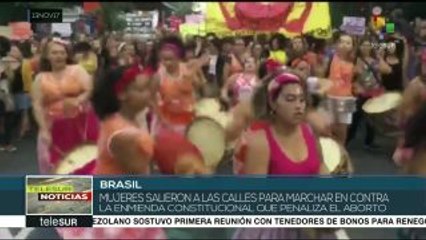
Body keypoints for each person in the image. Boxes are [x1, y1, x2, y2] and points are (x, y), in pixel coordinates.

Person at [57, 66, 166, 240]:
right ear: (122, 95)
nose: (149, 94)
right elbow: (140, 174)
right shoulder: (123, 134)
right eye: (141, 90)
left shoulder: (120, 120)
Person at [232, 69, 332, 239]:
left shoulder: (309, 131)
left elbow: (320, 168)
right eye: (290, 99)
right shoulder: (260, 141)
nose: (299, 105)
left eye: (302, 100)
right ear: (273, 103)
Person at [31, 38, 99, 174]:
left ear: (67, 55)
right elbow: (37, 104)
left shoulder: (77, 70)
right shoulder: (40, 78)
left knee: (81, 161)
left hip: (79, 122)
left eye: (62, 53)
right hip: (53, 125)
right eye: (54, 53)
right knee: (55, 164)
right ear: (47, 56)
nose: (59, 56)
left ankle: (85, 191)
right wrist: (44, 129)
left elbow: (89, 89)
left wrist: (78, 100)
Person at [150, 35, 208, 136]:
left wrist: (191, 78)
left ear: (178, 58)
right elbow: (151, 98)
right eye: (164, 59)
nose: (167, 63)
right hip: (167, 121)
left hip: (187, 118)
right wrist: (161, 118)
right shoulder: (159, 75)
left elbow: (199, 86)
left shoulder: (186, 69)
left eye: (170, 59)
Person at [347, 37, 392, 149]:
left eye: (368, 45)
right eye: (363, 45)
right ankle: (346, 140)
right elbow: (351, 75)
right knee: (355, 117)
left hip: (374, 92)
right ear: (359, 47)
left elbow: (388, 70)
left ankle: (369, 141)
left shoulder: (375, 59)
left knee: (372, 118)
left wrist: (379, 57)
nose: (366, 47)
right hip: (361, 93)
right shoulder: (355, 59)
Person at [325, 33, 357, 145]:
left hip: (347, 99)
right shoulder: (332, 57)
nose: (344, 45)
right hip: (331, 96)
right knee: (330, 129)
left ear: (353, 46)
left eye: (348, 43)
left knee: (342, 131)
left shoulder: (355, 61)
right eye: (342, 41)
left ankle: (342, 155)